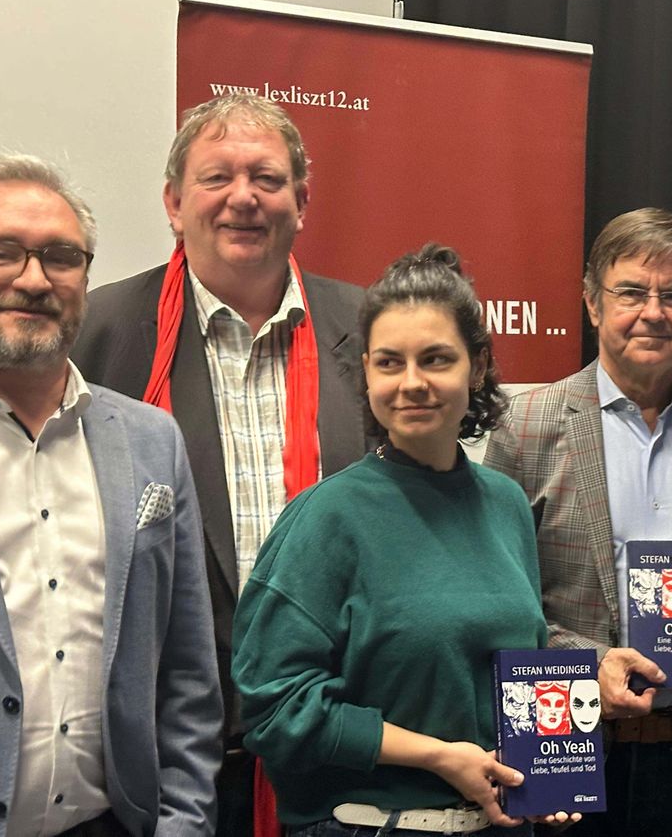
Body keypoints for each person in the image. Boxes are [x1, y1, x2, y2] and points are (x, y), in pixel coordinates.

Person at [0, 154, 221, 834]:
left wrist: (183, 821)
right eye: (1, 253)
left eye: (61, 257)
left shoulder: (151, 440)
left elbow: (188, 674)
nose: (35, 279)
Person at [71, 92, 369, 832]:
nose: (244, 197)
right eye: (217, 178)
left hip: (340, 743)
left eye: (267, 179)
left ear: (302, 202)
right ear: (174, 203)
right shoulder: (98, 333)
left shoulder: (371, 332)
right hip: (166, 759)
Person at [232, 244, 573, 836]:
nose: (412, 383)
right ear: (367, 371)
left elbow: (524, 675)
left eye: (436, 359)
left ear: (478, 367)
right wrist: (437, 755)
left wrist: (549, 782)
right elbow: (273, 708)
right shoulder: (325, 518)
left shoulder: (507, 504)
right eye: (390, 363)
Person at [484, 208, 672, 837]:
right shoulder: (524, 426)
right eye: (631, 292)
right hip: (567, 750)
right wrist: (589, 662)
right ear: (593, 303)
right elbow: (498, 595)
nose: (654, 312)